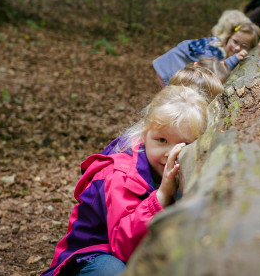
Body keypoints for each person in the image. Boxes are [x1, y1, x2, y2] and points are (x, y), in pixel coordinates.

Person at [41, 86, 209, 276]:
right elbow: (124, 247)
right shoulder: (121, 175)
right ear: (145, 135)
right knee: (112, 271)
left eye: (183, 144)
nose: (170, 152)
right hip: (87, 260)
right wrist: (162, 195)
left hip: (140, 256)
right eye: (161, 140)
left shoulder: (182, 169)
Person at [153, 22, 260, 87]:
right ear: (229, 36)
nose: (237, 48)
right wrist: (233, 60)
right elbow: (211, 71)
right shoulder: (213, 47)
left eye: (244, 46)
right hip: (169, 68)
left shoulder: (222, 49)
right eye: (235, 42)